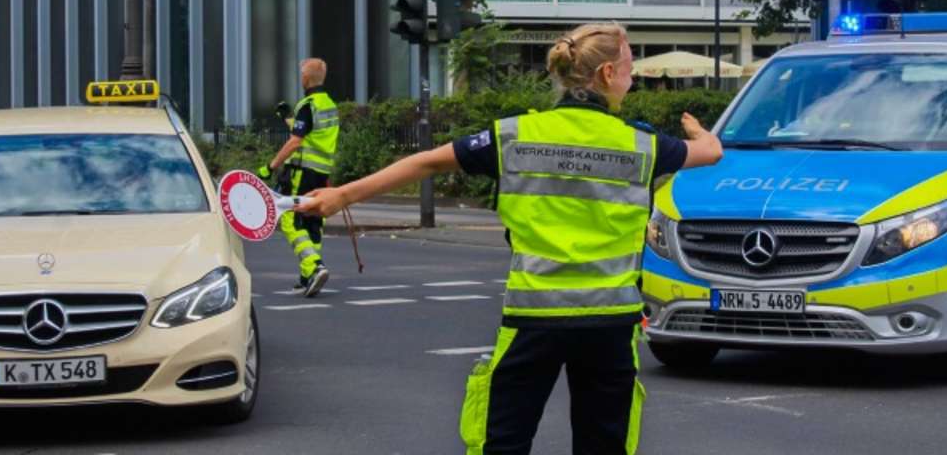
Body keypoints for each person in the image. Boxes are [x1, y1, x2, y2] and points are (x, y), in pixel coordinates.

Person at [296, 23, 723, 454]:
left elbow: (426, 163)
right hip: (610, 324)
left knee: (504, 441)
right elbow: (711, 153)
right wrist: (700, 134)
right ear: (608, 74)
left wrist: (341, 195)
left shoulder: (513, 136)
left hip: (533, 319)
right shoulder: (643, 144)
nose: (634, 80)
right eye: (631, 69)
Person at [259, 58, 340, 298]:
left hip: (302, 172)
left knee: (290, 220)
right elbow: (308, 131)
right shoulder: (329, 105)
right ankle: (308, 276)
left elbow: (297, 140)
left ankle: (314, 266)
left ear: (305, 79)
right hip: (322, 173)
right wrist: (287, 117)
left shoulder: (308, 104)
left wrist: (270, 167)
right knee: (313, 221)